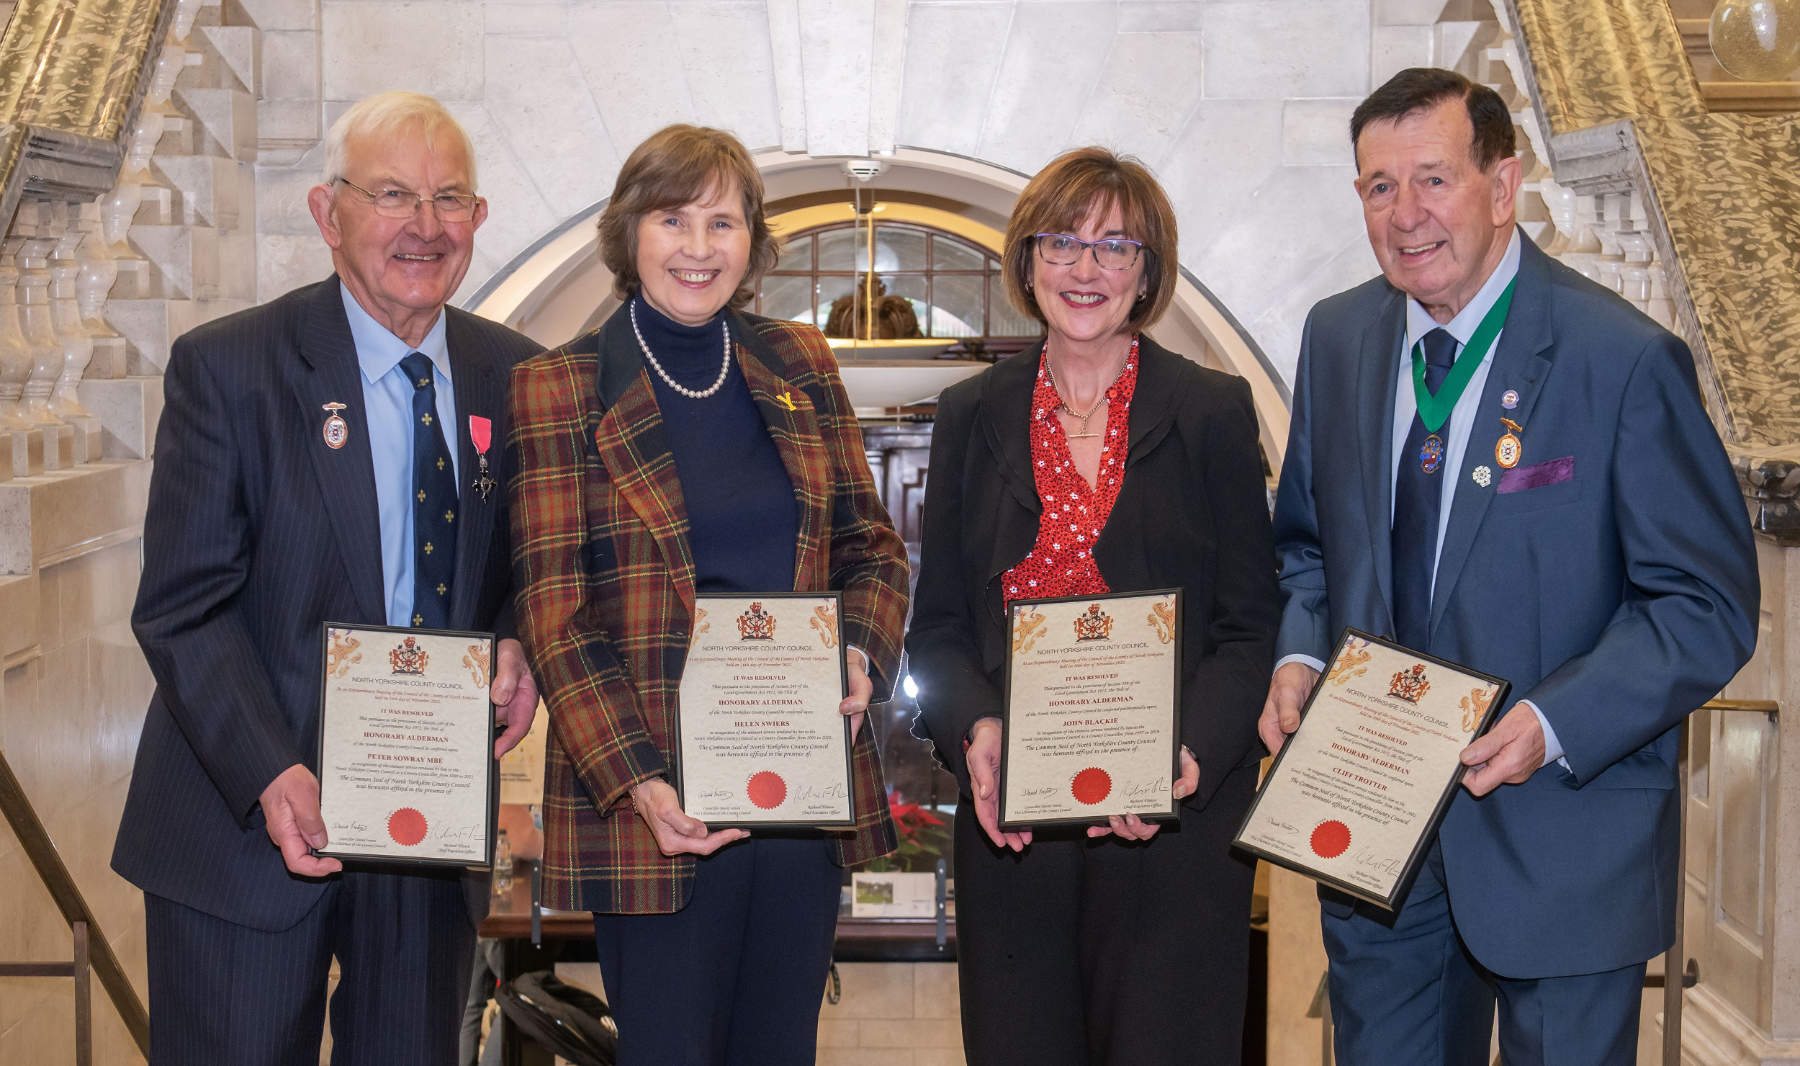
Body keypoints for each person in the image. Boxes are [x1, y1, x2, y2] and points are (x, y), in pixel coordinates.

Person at [1259, 67, 1759, 1065]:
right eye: (1379, 188)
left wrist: (1553, 721)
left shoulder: (1621, 359)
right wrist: (1300, 661)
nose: (1407, 216)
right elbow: (1310, 548)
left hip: (1562, 848)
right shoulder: (1339, 337)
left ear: (1503, 185)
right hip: (1376, 841)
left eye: (1434, 180)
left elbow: (1703, 603)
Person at [109, 91, 541, 1065]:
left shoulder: (519, 377)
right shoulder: (230, 369)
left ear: (477, 218)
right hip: (242, 828)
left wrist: (520, 639)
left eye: (448, 198)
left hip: (422, 832)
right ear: (327, 211)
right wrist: (270, 768)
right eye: (392, 194)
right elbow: (182, 605)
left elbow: (528, 569)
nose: (424, 226)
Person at [507, 124, 909, 1066]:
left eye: (721, 221)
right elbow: (556, 615)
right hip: (654, 812)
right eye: (672, 218)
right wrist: (642, 785)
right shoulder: (559, 385)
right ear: (628, 233)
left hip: (799, 788)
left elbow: (874, 549)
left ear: (753, 240)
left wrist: (857, 653)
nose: (698, 246)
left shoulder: (802, 364)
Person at [907, 147, 1279, 1065]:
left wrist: (1186, 753)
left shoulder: (1212, 411)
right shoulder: (968, 414)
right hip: (1014, 832)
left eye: (1116, 247)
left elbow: (1250, 626)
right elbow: (942, 630)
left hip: (1175, 831)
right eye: (1063, 242)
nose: (1086, 269)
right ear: (1026, 259)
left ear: (1148, 271)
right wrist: (974, 729)